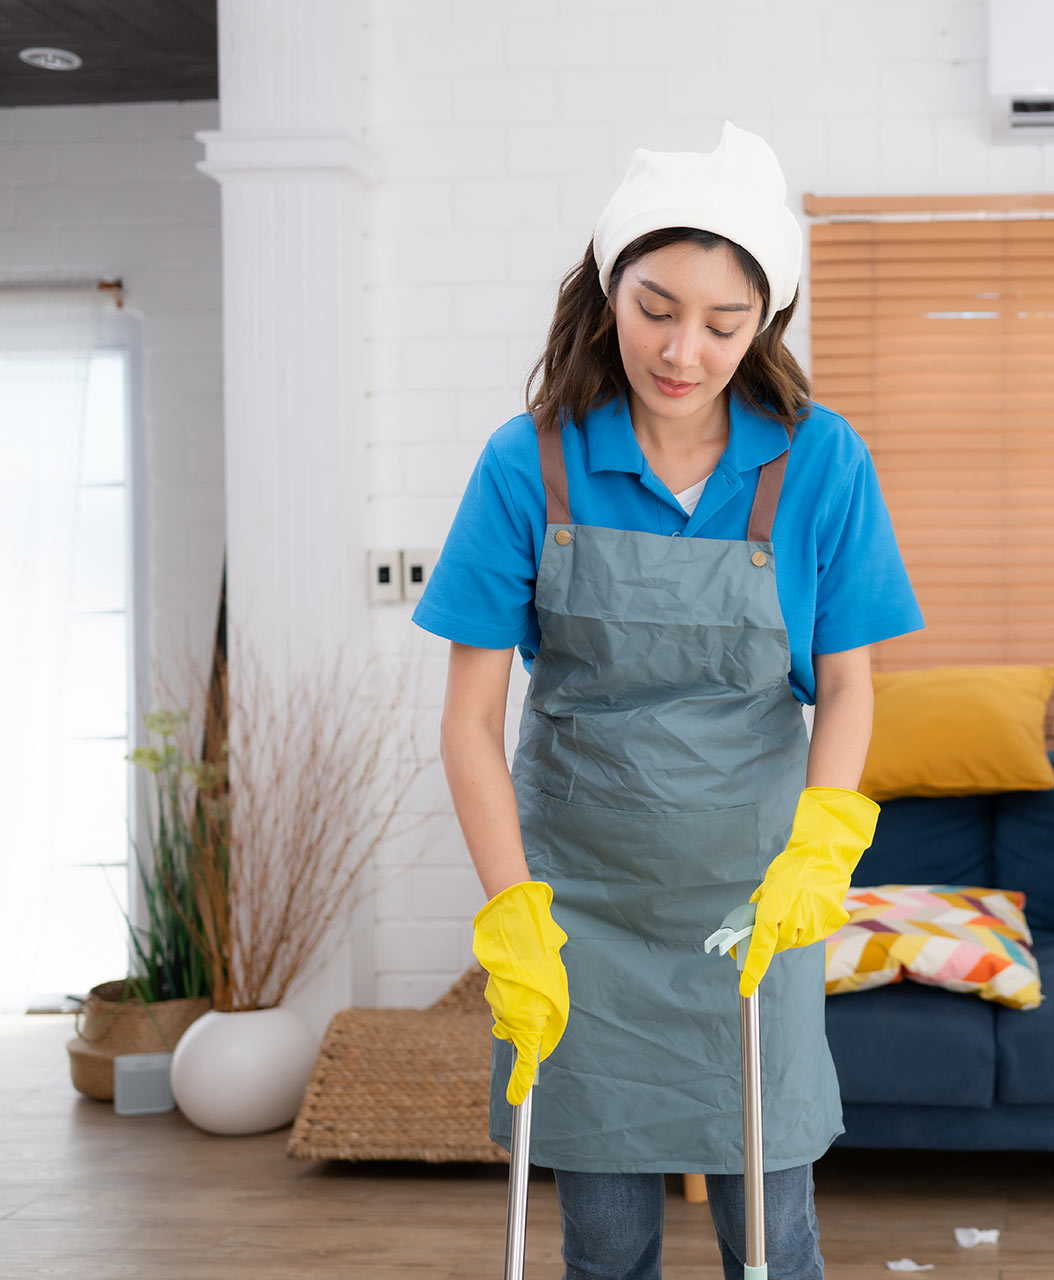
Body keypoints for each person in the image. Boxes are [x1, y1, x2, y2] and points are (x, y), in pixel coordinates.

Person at [413, 122, 923, 1280]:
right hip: (580, 907)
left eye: (721, 322)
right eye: (656, 307)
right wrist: (512, 914)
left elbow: (847, 683)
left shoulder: (819, 460)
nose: (682, 348)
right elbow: (467, 722)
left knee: (772, 1237)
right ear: (608, 288)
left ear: (765, 325)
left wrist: (822, 847)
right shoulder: (528, 461)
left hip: (758, 899)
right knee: (604, 1243)